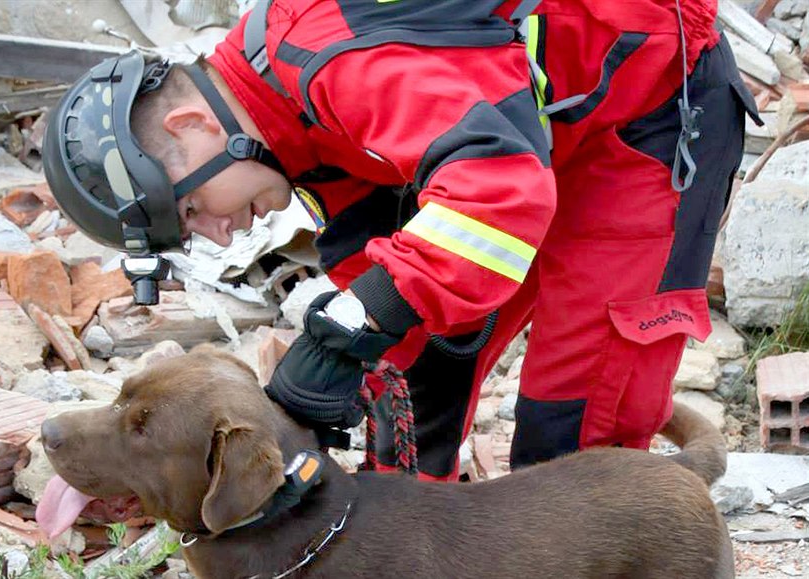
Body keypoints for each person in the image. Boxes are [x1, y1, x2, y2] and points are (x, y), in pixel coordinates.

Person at [43, 0, 760, 481]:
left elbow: (496, 201)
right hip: (526, 136)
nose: (219, 232)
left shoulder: (344, 66)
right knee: (413, 373)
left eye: (194, 209)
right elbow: (401, 285)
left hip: (646, 112)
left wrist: (350, 324)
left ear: (189, 128)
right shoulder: (284, 115)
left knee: (572, 433)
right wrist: (346, 384)